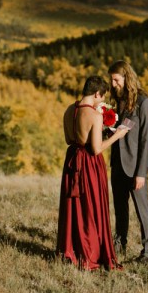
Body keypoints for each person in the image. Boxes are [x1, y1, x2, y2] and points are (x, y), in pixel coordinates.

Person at [57, 75, 129, 270]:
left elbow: (68, 139)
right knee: (91, 206)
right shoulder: (94, 115)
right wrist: (117, 135)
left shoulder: (69, 110)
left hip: (72, 161)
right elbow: (96, 149)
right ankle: (90, 252)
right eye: (102, 97)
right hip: (89, 164)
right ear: (97, 93)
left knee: (74, 207)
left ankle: (71, 250)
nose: (102, 101)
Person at [108, 60, 148, 263]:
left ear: (127, 78)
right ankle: (120, 244)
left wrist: (141, 172)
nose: (113, 84)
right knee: (120, 208)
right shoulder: (118, 100)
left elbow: (145, 139)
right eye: (111, 80)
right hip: (117, 164)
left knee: (142, 209)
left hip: (135, 167)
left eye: (116, 80)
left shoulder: (143, 103)